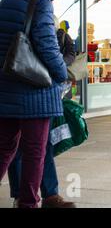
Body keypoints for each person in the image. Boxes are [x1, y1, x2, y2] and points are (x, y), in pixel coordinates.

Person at [0, 0, 68, 208]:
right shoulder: (40, 2)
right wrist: (63, 74)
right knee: (34, 151)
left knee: (5, 147)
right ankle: (28, 203)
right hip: (34, 92)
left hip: (6, 88)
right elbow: (47, 46)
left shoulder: (7, 0)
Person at [7, 20, 76, 208]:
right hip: (37, 90)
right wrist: (61, 72)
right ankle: (34, 197)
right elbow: (49, 52)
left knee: (26, 148)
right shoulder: (39, 8)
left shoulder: (10, 10)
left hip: (19, 91)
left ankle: (36, 195)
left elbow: (68, 52)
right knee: (35, 147)